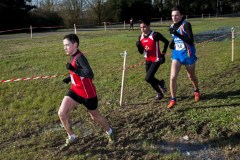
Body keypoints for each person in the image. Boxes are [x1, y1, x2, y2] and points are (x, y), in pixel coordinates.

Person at [58, 34, 115, 151]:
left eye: (67, 45)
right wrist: (70, 78)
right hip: (75, 90)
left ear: (75, 45)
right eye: (64, 45)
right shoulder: (72, 55)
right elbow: (79, 73)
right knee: (62, 113)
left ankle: (110, 131)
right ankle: (72, 136)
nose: (65, 47)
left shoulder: (80, 57)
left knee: (95, 116)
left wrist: (73, 69)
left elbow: (89, 74)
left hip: (87, 94)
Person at [167, 5, 200, 109]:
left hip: (188, 55)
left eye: (177, 15)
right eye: (173, 15)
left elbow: (190, 40)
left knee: (191, 76)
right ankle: (173, 99)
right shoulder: (172, 26)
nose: (174, 17)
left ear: (181, 15)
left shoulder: (186, 24)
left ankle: (196, 90)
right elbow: (175, 39)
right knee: (172, 77)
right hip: (176, 54)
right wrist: (171, 43)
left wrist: (177, 34)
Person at [136, 18, 169, 100]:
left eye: (144, 27)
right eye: (141, 27)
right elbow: (141, 52)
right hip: (148, 60)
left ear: (149, 26)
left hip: (156, 59)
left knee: (148, 78)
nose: (142, 29)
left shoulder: (155, 35)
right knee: (149, 79)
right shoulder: (140, 37)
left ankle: (160, 92)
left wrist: (163, 54)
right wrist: (138, 46)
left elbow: (166, 42)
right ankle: (160, 86)